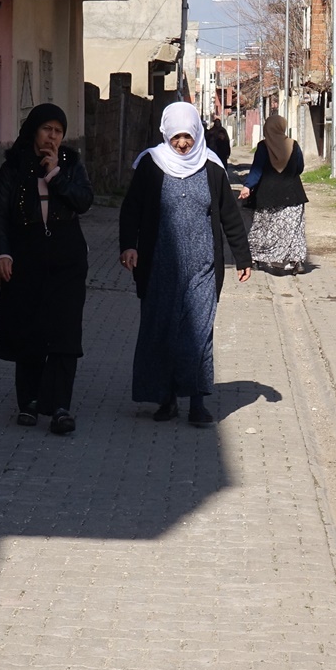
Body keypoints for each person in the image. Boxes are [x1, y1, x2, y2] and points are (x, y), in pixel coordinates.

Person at [119, 102, 253, 427]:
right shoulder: (151, 164)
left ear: (197, 133)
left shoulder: (211, 167)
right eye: (176, 137)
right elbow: (131, 209)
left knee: (198, 333)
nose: (182, 144)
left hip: (203, 266)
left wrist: (242, 258)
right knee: (162, 331)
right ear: (166, 133)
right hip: (159, 266)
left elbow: (231, 218)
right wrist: (128, 246)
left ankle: (196, 402)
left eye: (188, 137)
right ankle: (166, 400)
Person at [0, 102, 94, 435]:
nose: (52, 137)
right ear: (34, 130)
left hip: (67, 261)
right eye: (47, 129)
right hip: (27, 259)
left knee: (65, 332)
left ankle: (60, 406)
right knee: (29, 329)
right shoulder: (13, 167)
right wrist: (2, 254)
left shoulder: (71, 165)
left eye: (58, 132)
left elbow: (84, 201)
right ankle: (29, 402)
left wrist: (54, 175)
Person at [238, 114, 309, 275]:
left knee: (263, 228)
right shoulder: (294, 145)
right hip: (293, 194)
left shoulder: (263, 147)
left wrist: (248, 187)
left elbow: (257, 169)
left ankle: (256, 259)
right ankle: (297, 262)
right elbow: (300, 167)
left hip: (266, 195)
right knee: (294, 229)